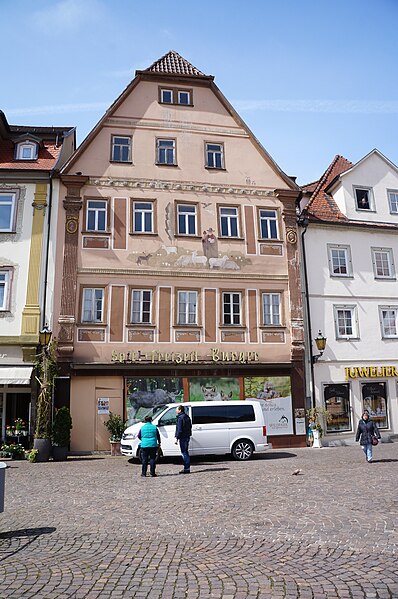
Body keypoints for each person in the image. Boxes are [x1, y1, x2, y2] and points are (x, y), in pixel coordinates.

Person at [175, 404, 192, 474]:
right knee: (186, 452)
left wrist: (177, 437)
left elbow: (179, 429)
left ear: (180, 410)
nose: (176, 410)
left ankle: (186, 468)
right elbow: (190, 426)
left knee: (184, 452)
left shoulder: (180, 418)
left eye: (177, 409)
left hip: (182, 437)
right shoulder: (187, 417)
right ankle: (187, 467)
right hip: (187, 436)